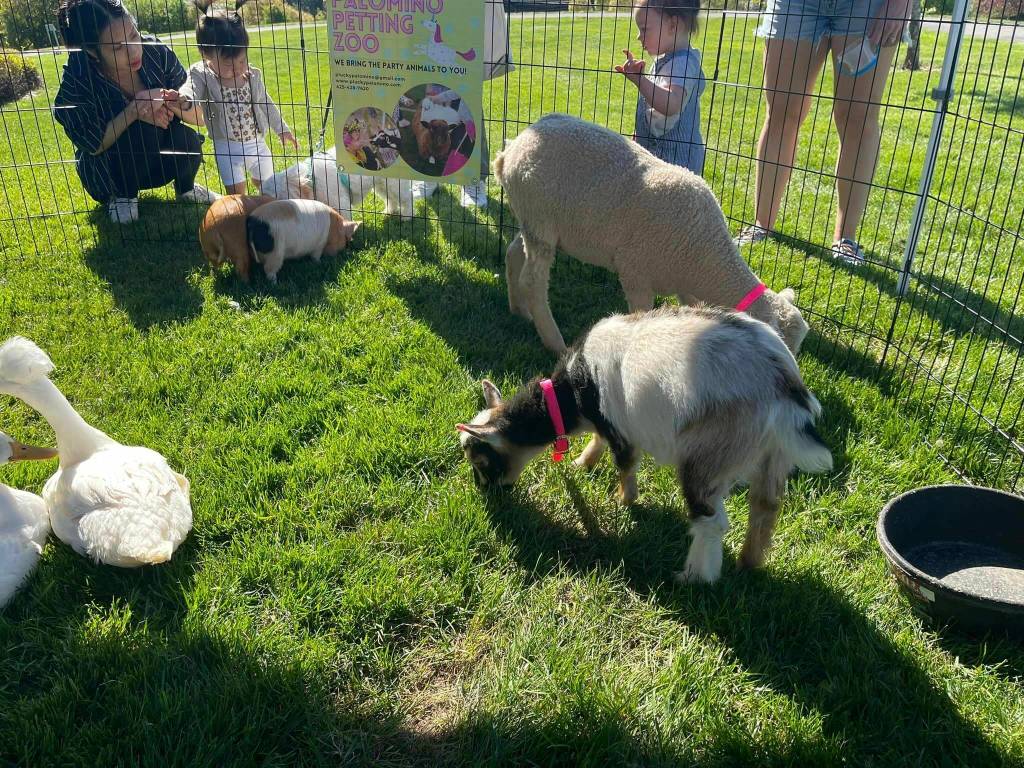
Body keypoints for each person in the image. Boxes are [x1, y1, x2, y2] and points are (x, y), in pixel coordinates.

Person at [736, 0, 910, 264]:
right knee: (782, 110)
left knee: (858, 118)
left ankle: (846, 240)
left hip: (867, 6)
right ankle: (761, 226)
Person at [53, 0, 217, 224]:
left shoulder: (156, 52)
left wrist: (166, 100)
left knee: (187, 139)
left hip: (156, 161)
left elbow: (200, 117)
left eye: (133, 35)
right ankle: (123, 198)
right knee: (144, 128)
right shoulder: (78, 79)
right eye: (117, 47)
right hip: (110, 170)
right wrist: (133, 111)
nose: (133, 51)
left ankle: (186, 190)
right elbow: (93, 144)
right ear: (92, 51)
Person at [180, 0, 298, 196]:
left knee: (269, 189)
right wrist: (185, 98)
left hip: (257, 144)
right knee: (237, 196)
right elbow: (191, 87)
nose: (237, 68)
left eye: (242, 60)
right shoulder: (202, 74)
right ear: (205, 53)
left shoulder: (252, 75)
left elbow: (265, 103)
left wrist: (282, 129)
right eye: (228, 64)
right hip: (227, 147)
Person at [411, 0, 514, 209]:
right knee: (431, 86)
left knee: (468, 102)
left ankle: (473, 179)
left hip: (467, 10)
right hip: (425, 7)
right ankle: (430, 174)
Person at [616, 0, 706, 175]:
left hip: (676, 165)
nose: (639, 36)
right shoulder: (666, 60)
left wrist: (640, 80)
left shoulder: (683, 64)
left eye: (644, 29)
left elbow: (671, 104)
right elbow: (655, 110)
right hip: (660, 158)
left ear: (673, 25)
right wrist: (641, 133)